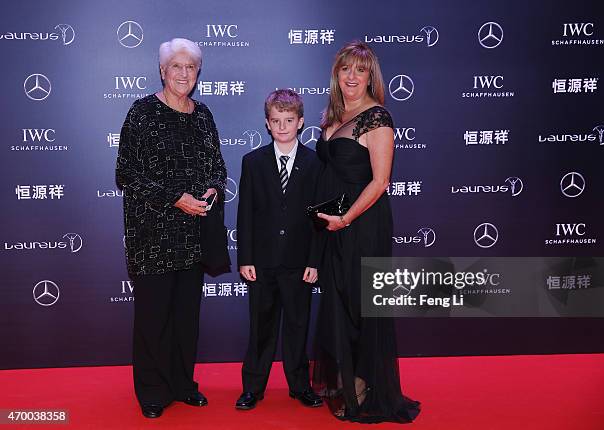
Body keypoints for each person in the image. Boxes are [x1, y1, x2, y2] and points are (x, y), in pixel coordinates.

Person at [116, 38, 226, 419]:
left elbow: (217, 165)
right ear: (162, 70)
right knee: (153, 319)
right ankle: (151, 390)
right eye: (175, 66)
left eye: (190, 67)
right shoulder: (142, 112)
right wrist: (174, 198)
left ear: (198, 73)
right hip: (153, 236)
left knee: (185, 318)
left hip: (194, 236)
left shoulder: (204, 114)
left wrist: (212, 187)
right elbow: (126, 172)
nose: (183, 73)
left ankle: (182, 384)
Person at [312, 41, 421, 423]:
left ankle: (362, 387)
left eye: (360, 70)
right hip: (334, 227)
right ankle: (346, 379)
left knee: (362, 304)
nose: (352, 77)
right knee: (339, 302)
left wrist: (347, 219)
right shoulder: (333, 117)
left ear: (370, 76)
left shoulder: (378, 118)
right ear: (336, 74)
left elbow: (381, 182)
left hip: (363, 223)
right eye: (346, 69)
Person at [235, 89, 323, 410]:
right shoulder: (253, 162)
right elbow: (245, 214)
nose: (282, 126)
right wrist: (245, 257)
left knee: (298, 326)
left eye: (289, 120)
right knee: (261, 326)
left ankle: (300, 386)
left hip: (299, 263)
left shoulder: (315, 162)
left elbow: (319, 217)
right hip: (263, 261)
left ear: (300, 122)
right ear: (267, 124)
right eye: (276, 121)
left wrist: (315, 260)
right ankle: (252, 388)